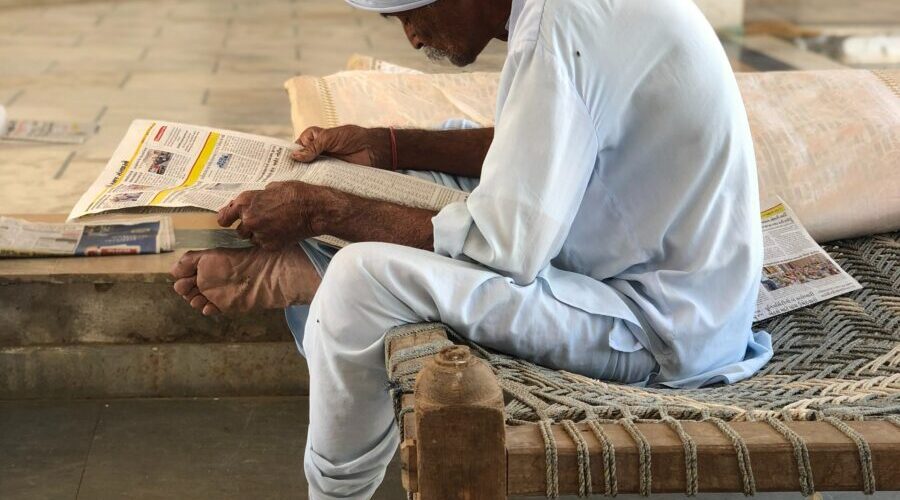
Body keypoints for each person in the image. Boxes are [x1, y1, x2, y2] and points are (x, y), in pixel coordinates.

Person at [170, 0, 773, 497]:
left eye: (415, 12)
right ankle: (320, 275)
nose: (412, 37)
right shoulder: (569, 13)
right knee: (413, 188)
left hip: (654, 326)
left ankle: (335, 487)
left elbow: (503, 247)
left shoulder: (561, 28)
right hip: (619, 257)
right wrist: (387, 146)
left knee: (360, 275)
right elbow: (536, 144)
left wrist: (328, 210)